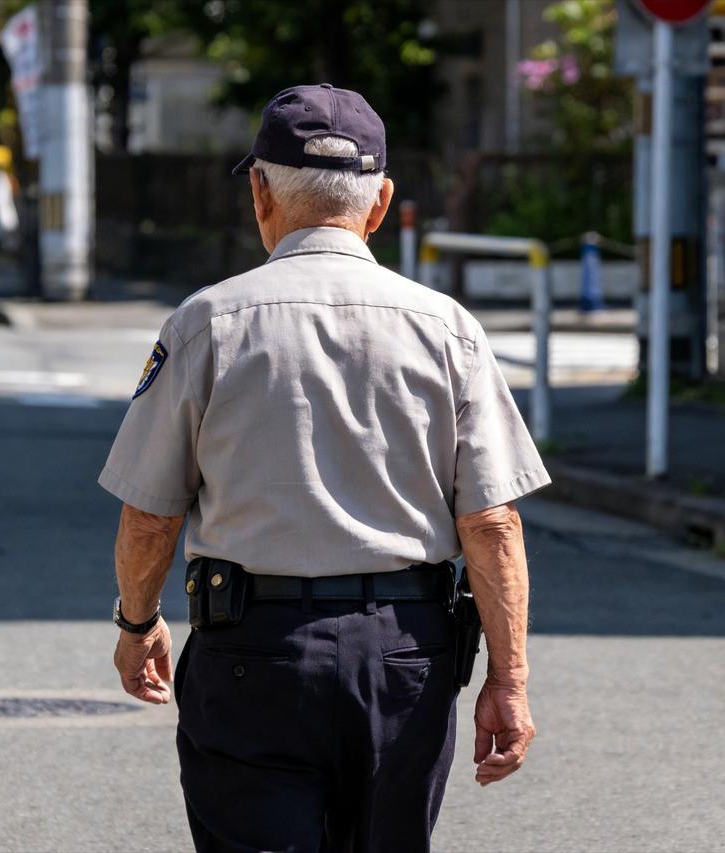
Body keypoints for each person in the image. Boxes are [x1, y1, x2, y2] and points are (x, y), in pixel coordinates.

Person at [99, 84, 550, 852]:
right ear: (380, 205)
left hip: (254, 649)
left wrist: (137, 623)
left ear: (259, 192)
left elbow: (150, 514)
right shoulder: (448, 329)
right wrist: (508, 680)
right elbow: (491, 523)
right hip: (406, 654)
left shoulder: (209, 323)